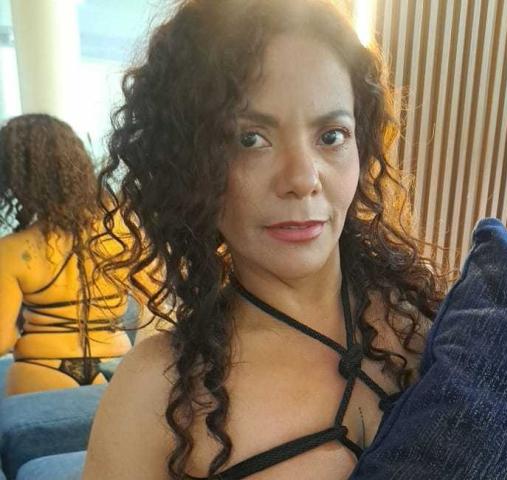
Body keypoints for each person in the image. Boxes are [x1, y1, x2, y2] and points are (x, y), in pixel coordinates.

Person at [83, 0, 448, 478]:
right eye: (250, 139)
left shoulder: (434, 327)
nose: (302, 179)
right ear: (189, 167)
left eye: (331, 135)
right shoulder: (157, 392)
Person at [0, 114, 158, 395]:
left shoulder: (13, 249)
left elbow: (1, 340)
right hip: (117, 368)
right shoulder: (122, 228)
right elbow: (154, 298)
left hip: (41, 369)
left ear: (15, 179)